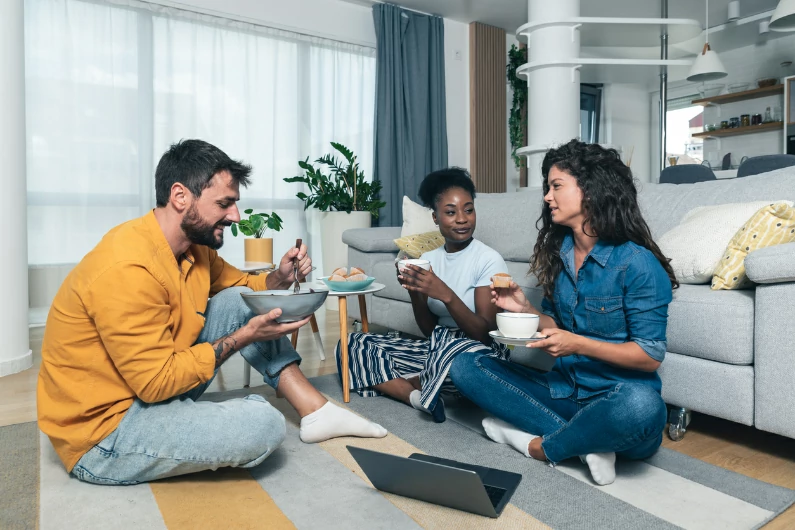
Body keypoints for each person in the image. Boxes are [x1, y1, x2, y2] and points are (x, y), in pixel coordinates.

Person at [37, 139, 386, 485]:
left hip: (148, 390)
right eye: (224, 203)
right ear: (180, 196)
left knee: (237, 300)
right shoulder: (128, 268)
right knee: (263, 423)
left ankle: (316, 411)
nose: (235, 216)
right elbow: (155, 383)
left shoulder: (193, 248)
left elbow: (244, 287)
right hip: (105, 433)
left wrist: (279, 276)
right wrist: (243, 338)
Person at [449, 140, 677, 486]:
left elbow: (649, 356)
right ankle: (588, 444)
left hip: (617, 400)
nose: (547, 197)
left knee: (643, 408)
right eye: (548, 187)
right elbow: (554, 326)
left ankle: (540, 446)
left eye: (556, 186)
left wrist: (578, 344)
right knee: (465, 365)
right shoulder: (560, 255)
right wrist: (525, 309)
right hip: (563, 393)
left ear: (591, 190)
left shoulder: (637, 264)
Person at [335, 168, 509, 423]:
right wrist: (415, 293)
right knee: (351, 344)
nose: (462, 219)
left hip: (475, 352)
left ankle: (412, 378)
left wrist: (446, 294)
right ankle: (416, 396)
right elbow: (429, 331)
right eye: (451, 212)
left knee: (458, 358)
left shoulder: (488, 260)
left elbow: (485, 334)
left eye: (468, 210)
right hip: (437, 346)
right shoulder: (428, 259)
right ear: (435, 218)